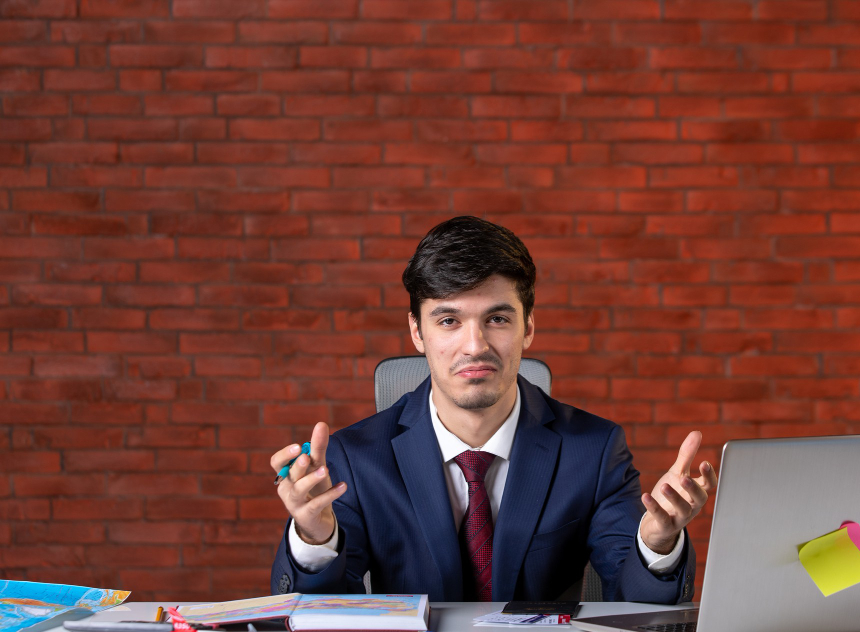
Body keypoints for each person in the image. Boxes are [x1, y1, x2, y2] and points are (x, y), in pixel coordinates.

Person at [269, 217, 717, 602]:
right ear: (417, 333)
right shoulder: (356, 459)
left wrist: (657, 544)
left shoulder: (595, 450)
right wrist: (314, 538)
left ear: (528, 328)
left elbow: (633, 600)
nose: (475, 345)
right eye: (449, 321)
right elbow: (320, 619)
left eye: (497, 319)